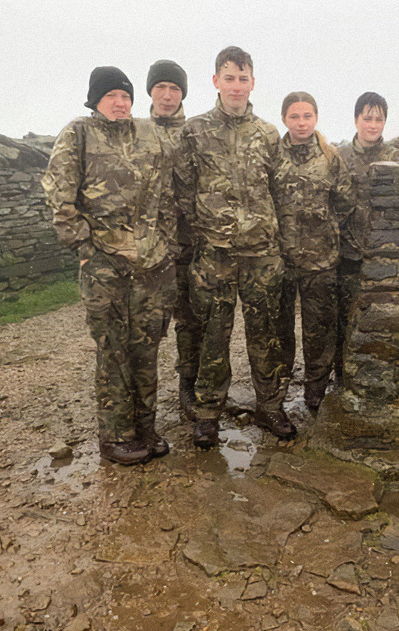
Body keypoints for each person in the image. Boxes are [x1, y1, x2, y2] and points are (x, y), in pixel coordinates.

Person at [43, 66, 176, 465]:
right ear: (96, 100)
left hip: (152, 265)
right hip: (105, 266)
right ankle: (116, 435)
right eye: (111, 96)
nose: (120, 104)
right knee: (114, 350)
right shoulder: (79, 133)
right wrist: (85, 247)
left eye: (125, 96)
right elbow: (58, 195)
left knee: (146, 349)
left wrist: (164, 243)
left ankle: (146, 427)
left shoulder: (150, 134)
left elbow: (167, 192)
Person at [174, 46, 294, 446]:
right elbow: (183, 192)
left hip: (261, 254)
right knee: (213, 336)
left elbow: (279, 191)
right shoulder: (193, 131)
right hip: (215, 256)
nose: (237, 86)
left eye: (244, 79)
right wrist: (206, 237)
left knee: (265, 334)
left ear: (253, 83)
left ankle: (270, 407)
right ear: (216, 81)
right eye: (229, 77)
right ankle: (208, 413)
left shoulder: (267, 133)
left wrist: (277, 244)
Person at [272, 92, 355, 412]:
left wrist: (324, 229)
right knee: (279, 329)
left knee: (319, 329)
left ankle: (315, 388)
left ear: (316, 118)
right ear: (284, 119)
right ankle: (276, 391)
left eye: (307, 116)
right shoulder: (272, 154)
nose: (301, 122)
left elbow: (345, 202)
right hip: (280, 258)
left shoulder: (330, 157)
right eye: (294, 116)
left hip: (321, 259)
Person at [146, 59, 199, 419]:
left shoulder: (195, 133)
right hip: (148, 251)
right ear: (150, 90)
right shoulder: (133, 132)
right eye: (161, 87)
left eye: (175, 89)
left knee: (191, 321)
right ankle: (140, 403)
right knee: (147, 327)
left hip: (189, 246)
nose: (167, 96)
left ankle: (188, 388)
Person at [335, 92, 389, 383]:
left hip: (384, 256)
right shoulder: (339, 156)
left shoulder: (395, 157)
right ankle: (342, 379)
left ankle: (376, 379)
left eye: (378, 119)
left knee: (378, 322)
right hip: (347, 256)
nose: (372, 124)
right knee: (344, 321)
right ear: (356, 119)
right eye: (367, 118)